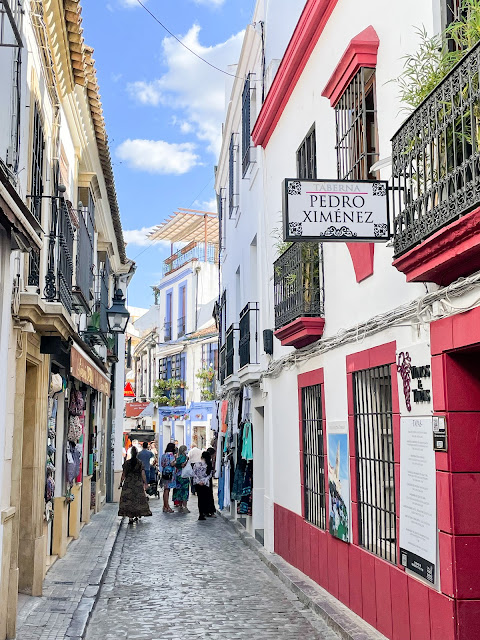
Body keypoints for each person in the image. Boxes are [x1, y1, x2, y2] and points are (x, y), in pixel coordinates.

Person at [118, 446, 152, 524]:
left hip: (128, 483)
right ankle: (137, 514)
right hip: (137, 483)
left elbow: (124, 474)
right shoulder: (139, 463)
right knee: (137, 499)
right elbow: (143, 474)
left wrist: (121, 482)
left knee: (129, 500)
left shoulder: (127, 463)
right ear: (137, 454)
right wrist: (145, 483)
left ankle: (130, 517)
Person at [193, 451, 214, 520]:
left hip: (198, 484)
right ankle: (206, 512)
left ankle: (201, 514)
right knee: (205, 498)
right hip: (206, 484)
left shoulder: (196, 464)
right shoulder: (208, 465)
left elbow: (194, 474)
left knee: (200, 499)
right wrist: (204, 481)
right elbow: (210, 475)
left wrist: (198, 481)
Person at [172, 445, 190, 513]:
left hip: (178, 475)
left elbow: (176, 465)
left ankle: (180, 506)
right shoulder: (184, 457)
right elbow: (183, 465)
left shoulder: (178, 457)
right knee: (185, 491)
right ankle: (184, 506)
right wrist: (187, 460)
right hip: (184, 476)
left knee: (178, 490)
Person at [160, 442, 176, 513]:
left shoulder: (164, 455)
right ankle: (167, 506)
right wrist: (176, 461)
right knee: (167, 490)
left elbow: (162, 464)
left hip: (164, 472)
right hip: (170, 473)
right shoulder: (171, 455)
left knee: (165, 489)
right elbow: (172, 463)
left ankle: (164, 506)